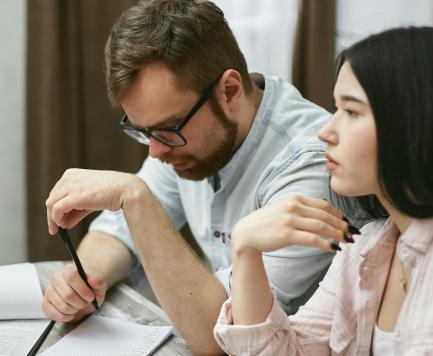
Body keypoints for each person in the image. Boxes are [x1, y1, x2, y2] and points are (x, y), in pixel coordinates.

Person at [43, 0, 349, 354]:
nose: (154, 151)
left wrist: (135, 196)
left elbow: (220, 337)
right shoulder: (184, 134)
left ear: (229, 90)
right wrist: (82, 281)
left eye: (166, 130)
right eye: (142, 131)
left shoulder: (311, 165)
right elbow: (118, 234)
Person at [213, 26, 433, 355]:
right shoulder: (368, 246)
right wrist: (246, 249)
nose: (326, 132)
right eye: (336, 109)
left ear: (412, 121)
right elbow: (285, 350)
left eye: (353, 111)